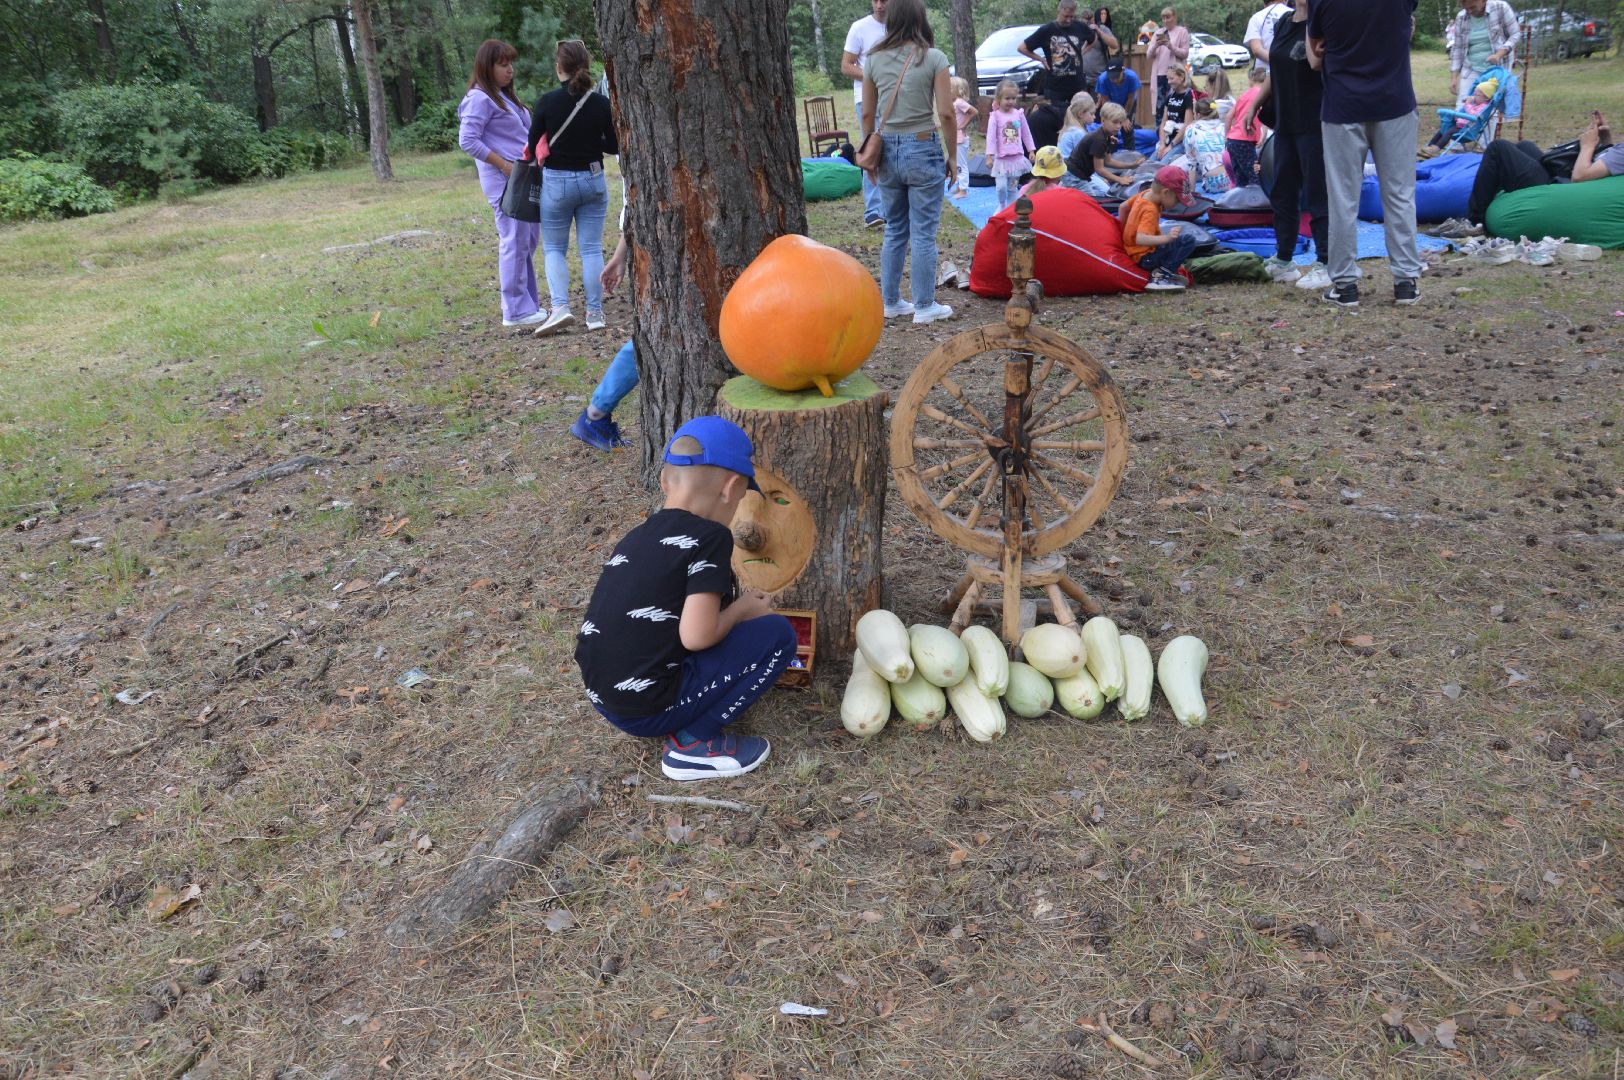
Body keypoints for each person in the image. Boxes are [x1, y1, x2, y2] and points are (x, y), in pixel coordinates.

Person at [575, 417, 796, 782]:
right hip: (647, 708)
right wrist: (743, 611)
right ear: (731, 488)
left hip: (607, 700)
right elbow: (697, 637)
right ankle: (693, 745)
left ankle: (674, 711)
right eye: (741, 497)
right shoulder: (710, 538)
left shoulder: (638, 535)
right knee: (777, 634)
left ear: (665, 481)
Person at [1308, 0, 1424, 308]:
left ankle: (1345, 285)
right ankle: (1405, 283)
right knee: (1400, 194)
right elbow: (1405, 27)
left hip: (1343, 107)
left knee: (1343, 199)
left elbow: (1314, 57)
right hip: (1394, 103)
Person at [861, 0, 957, 325]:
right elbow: (945, 112)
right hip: (922, 147)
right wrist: (953, 155)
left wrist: (869, 153)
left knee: (895, 228)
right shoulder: (933, 57)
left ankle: (890, 302)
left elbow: (867, 112)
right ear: (920, 18)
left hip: (886, 148)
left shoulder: (873, 59)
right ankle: (925, 305)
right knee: (924, 232)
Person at [527, 40, 618, 336]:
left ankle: (561, 308)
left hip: (557, 183)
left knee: (554, 248)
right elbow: (613, 144)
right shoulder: (602, 104)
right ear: (586, 66)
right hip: (593, 179)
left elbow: (531, 144)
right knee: (590, 248)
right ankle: (595, 313)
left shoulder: (547, 102)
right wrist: (593, 143)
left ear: (559, 68)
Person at [1244, 0, 1330, 290]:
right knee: (1282, 190)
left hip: (1315, 120)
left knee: (1318, 192)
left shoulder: (1323, 20)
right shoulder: (1284, 22)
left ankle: (1326, 262)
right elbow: (1275, 69)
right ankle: (1284, 261)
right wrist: (1254, 104)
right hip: (1285, 122)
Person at [457, 40, 543, 328]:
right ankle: (515, 311)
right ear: (487, 67)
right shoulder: (479, 98)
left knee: (528, 239)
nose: (510, 70)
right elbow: (468, 140)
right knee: (514, 239)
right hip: (504, 180)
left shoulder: (503, 97)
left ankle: (528, 303)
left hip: (523, 176)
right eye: (503, 65)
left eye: (511, 64)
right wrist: (503, 165)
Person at [1458, 111, 1622, 232]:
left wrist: (1588, 145)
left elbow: (1580, 177)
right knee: (1525, 146)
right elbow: (1611, 162)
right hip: (1562, 179)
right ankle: (1490, 204)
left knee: (1498, 149)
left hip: (1562, 190)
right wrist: (1605, 139)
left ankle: (1475, 222)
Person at [843, 0, 890, 229]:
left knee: (893, 151)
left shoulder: (900, 26)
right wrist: (872, 78)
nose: (879, 5)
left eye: (885, 0)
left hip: (895, 99)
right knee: (872, 149)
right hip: (868, 99)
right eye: (875, 0)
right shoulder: (859, 28)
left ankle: (892, 207)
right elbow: (846, 65)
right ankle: (873, 210)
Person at [1121, 165, 1196, 291]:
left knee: (1174, 243)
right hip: (1146, 258)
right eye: (1177, 200)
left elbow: (1122, 207)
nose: (1177, 204)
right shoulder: (1150, 210)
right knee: (1187, 240)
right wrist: (1167, 238)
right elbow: (1141, 239)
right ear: (1165, 192)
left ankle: (1165, 272)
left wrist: (1124, 235)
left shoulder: (1144, 194)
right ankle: (1161, 276)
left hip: (1135, 252)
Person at [1020, 1, 1100, 107]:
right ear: (1058, 11)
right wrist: (1041, 59)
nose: (1068, 20)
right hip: (1056, 87)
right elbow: (1022, 48)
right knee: (1057, 118)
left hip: (1077, 85)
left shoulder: (1080, 27)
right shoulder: (1046, 30)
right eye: (1066, 16)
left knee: (1079, 117)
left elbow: (1093, 39)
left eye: (1071, 16)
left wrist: (1082, 51)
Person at [1449, 0, 1517, 113]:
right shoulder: (1461, 17)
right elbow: (1458, 48)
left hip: (1496, 71)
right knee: (1462, 107)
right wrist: (1454, 77)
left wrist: (1499, 54)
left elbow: (1515, 34)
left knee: (1488, 111)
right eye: (1465, 8)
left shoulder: (1501, 7)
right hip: (1471, 68)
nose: (1469, 11)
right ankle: (1462, 130)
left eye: (1472, 7)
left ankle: (1487, 131)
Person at [1066, 102, 1134, 196]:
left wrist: (1131, 165)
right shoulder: (1099, 140)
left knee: (1103, 194)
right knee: (1089, 201)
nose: (1118, 126)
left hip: (1081, 175)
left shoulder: (1105, 136)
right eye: (1114, 122)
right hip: (1074, 176)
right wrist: (1120, 179)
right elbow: (1100, 169)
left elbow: (1108, 161)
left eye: (1120, 122)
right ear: (1103, 120)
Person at [986, 79, 1036, 208]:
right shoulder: (995, 116)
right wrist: (989, 155)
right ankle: (1002, 205)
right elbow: (991, 137)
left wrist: (1031, 150)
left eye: (1013, 98)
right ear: (998, 98)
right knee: (1001, 187)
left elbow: (1026, 133)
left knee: (1013, 188)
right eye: (1007, 98)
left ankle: (1011, 210)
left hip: (1016, 160)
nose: (1011, 101)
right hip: (1001, 160)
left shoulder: (1019, 114)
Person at [1422, 77, 1496, 155]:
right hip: (1460, 125)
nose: (1474, 97)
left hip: (1467, 130)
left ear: (1486, 98)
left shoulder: (1483, 106)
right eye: (1474, 94)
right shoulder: (1476, 103)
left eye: (1477, 95)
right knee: (1442, 129)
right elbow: (1466, 111)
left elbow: (1473, 115)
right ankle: (1429, 147)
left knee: (1449, 132)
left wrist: (1468, 104)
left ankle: (1437, 148)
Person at [1146, 7, 1191, 130]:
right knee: (1159, 108)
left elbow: (1185, 54)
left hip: (1176, 76)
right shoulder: (1158, 33)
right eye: (1163, 18)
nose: (1165, 20)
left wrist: (1170, 46)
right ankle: (1159, 135)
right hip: (1159, 76)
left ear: (1175, 17)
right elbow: (1149, 55)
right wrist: (1156, 45)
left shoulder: (1182, 32)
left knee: (1175, 105)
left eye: (1168, 17)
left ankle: (1175, 133)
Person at [1226, 67, 1269, 185]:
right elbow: (1265, 115)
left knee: (1241, 180)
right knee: (1256, 177)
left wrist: (1226, 137)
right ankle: (1260, 202)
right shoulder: (1262, 95)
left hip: (1232, 140)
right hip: (1244, 141)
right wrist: (1264, 133)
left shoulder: (1244, 95)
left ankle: (1242, 202)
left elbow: (1229, 117)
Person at [1182, 99, 1231, 196]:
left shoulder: (1191, 130)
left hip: (1212, 183)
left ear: (1198, 115)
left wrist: (1192, 191)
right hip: (1233, 179)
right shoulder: (1225, 126)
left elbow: (1192, 165)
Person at [1094, 59, 1140, 150]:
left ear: (1123, 71)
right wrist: (1111, 118)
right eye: (1111, 78)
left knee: (1127, 128)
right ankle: (1110, 153)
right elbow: (1105, 102)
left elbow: (1130, 99)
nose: (1114, 80)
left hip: (1127, 103)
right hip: (1111, 104)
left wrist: (1125, 117)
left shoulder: (1132, 77)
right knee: (1111, 128)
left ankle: (1130, 153)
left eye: (1116, 77)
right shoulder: (1102, 79)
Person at [1153, 64, 1194, 157]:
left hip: (1180, 142)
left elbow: (1187, 124)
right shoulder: (1170, 96)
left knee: (1163, 165)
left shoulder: (1189, 95)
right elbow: (1163, 123)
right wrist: (1162, 144)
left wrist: (1171, 146)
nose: (1169, 82)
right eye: (1168, 79)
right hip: (1168, 139)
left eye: (1171, 78)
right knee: (1150, 163)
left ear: (1182, 77)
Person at [948, 76, 976, 198]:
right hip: (955, 136)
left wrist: (963, 124)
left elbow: (974, 111)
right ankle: (960, 186)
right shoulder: (955, 103)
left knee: (961, 164)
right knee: (957, 163)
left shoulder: (960, 102)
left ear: (958, 90)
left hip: (960, 137)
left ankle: (963, 190)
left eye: (950, 88)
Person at [1079, 7, 1120, 85]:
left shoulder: (1102, 29)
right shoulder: (1079, 30)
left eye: (1089, 22)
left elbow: (1115, 45)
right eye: (1084, 22)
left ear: (1093, 19)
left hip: (1099, 79)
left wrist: (1099, 32)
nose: (1087, 24)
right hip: (1081, 80)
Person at [1245, 2, 1293, 70]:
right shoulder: (1294, 14)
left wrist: (1277, 62)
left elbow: (1256, 49)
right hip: (1291, 71)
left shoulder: (1257, 17)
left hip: (1264, 75)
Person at [1056, 91, 1097, 167]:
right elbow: (1086, 158)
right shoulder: (1077, 132)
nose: (1094, 117)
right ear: (1081, 114)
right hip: (1070, 173)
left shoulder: (1073, 128)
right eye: (1091, 114)